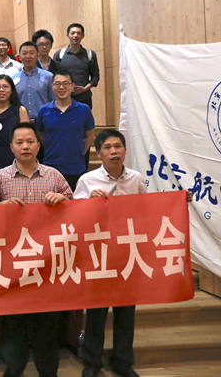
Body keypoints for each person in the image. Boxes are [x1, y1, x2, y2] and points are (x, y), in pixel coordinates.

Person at [0, 122, 73, 377]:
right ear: (11, 147)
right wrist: (0, 207)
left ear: (38, 145)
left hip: (48, 263)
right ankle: (14, 371)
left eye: (30, 141)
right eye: (19, 142)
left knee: (47, 326)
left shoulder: (54, 176)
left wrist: (63, 200)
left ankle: (49, 372)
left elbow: (77, 210)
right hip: (13, 264)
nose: (25, 146)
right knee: (15, 325)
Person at [74, 129, 147, 377]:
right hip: (99, 254)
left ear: (125, 150)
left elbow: (148, 210)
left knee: (126, 312)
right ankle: (92, 363)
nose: (113, 151)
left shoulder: (136, 179)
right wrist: (88, 201)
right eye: (107, 147)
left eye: (117, 146)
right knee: (96, 312)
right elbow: (74, 217)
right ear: (99, 153)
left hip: (127, 252)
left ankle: (122, 362)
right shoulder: (87, 180)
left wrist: (179, 200)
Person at [36, 71, 96, 191]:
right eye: (57, 84)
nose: (61, 87)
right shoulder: (43, 110)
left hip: (76, 167)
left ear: (72, 86)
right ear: (52, 87)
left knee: (76, 201)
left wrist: (80, 152)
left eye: (66, 83)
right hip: (50, 167)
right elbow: (41, 134)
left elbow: (89, 136)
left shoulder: (84, 109)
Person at [0, 75, 29, 183]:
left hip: (14, 158)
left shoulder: (20, 110)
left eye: (5, 87)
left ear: (12, 90)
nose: (1, 90)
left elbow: (26, 140)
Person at [53, 23, 100, 108]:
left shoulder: (90, 54)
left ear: (83, 36)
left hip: (84, 98)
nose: (75, 35)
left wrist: (85, 89)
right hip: (63, 98)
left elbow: (95, 76)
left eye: (78, 33)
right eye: (73, 33)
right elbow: (54, 76)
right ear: (67, 35)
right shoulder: (59, 54)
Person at [12, 41, 55, 122]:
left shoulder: (48, 76)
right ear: (20, 57)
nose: (28, 56)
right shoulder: (13, 79)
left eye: (32, 53)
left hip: (44, 121)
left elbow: (54, 100)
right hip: (21, 122)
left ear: (38, 56)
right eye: (24, 53)